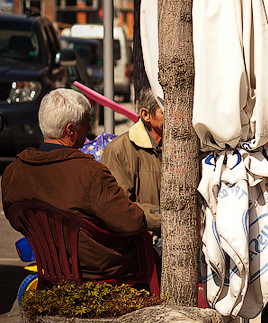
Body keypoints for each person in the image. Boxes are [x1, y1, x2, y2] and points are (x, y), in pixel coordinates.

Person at [2, 89, 149, 282]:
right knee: (151, 248)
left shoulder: (13, 171)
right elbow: (133, 222)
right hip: (97, 270)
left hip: (48, 265)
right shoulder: (90, 173)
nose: (88, 129)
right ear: (70, 130)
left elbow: (16, 219)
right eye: (87, 122)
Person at [102, 87, 163, 235]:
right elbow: (119, 208)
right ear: (146, 115)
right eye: (165, 110)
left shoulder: (185, 145)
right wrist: (166, 217)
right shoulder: (118, 151)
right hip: (145, 240)